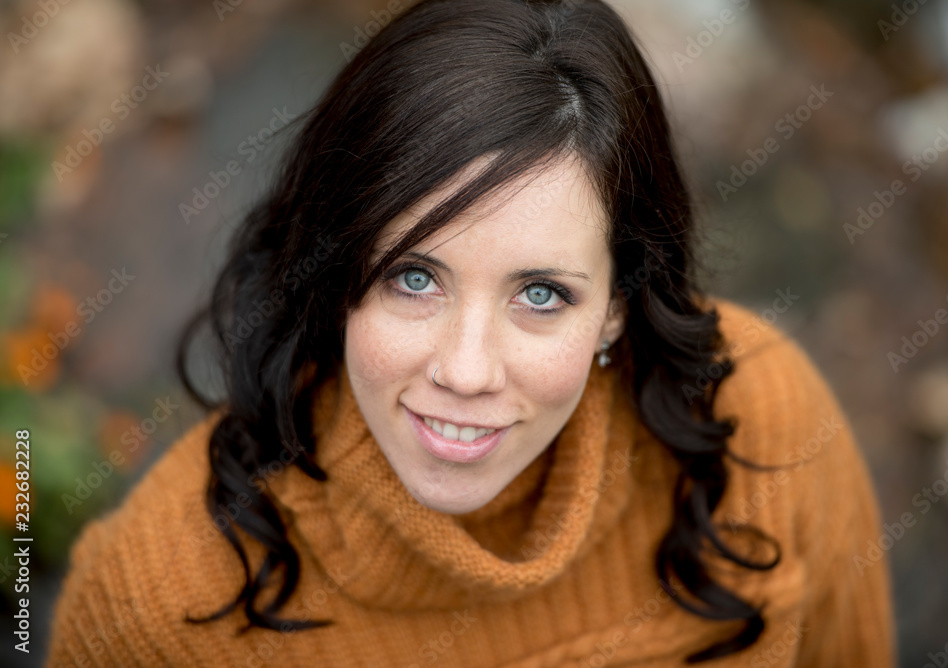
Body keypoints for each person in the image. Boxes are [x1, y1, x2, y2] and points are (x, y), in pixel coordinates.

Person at [45, 0, 896, 665]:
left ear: (619, 304)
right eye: (414, 277)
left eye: (540, 294)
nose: (466, 369)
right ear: (336, 270)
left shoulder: (764, 416)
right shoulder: (159, 606)